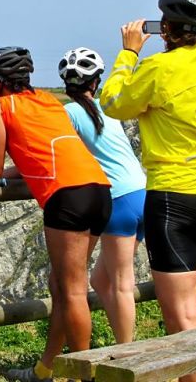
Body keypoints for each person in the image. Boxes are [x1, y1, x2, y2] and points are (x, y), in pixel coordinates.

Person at [100, 0, 196, 382]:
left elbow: (113, 103)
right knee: (191, 300)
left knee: (182, 318)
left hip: (173, 196)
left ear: (166, 27)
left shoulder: (158, 69)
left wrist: (128, 53)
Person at [0, 46, 112, 382]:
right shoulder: (49, 101)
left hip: (67, 196)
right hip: (98, 188)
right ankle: (44, 370)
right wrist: (18, 168)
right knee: (60, 285)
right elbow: (47, 149)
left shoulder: (2, 106)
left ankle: (85, 374)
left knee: (73, 291)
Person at [60, 47, 147, 344]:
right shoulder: (106, 109)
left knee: (122, 282)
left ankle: (128, 354)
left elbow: (58, 153)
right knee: (100, 280)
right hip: (141, 192)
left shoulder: (69, 113)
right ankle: (123, 340)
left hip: (119, 199)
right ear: (95, 82)